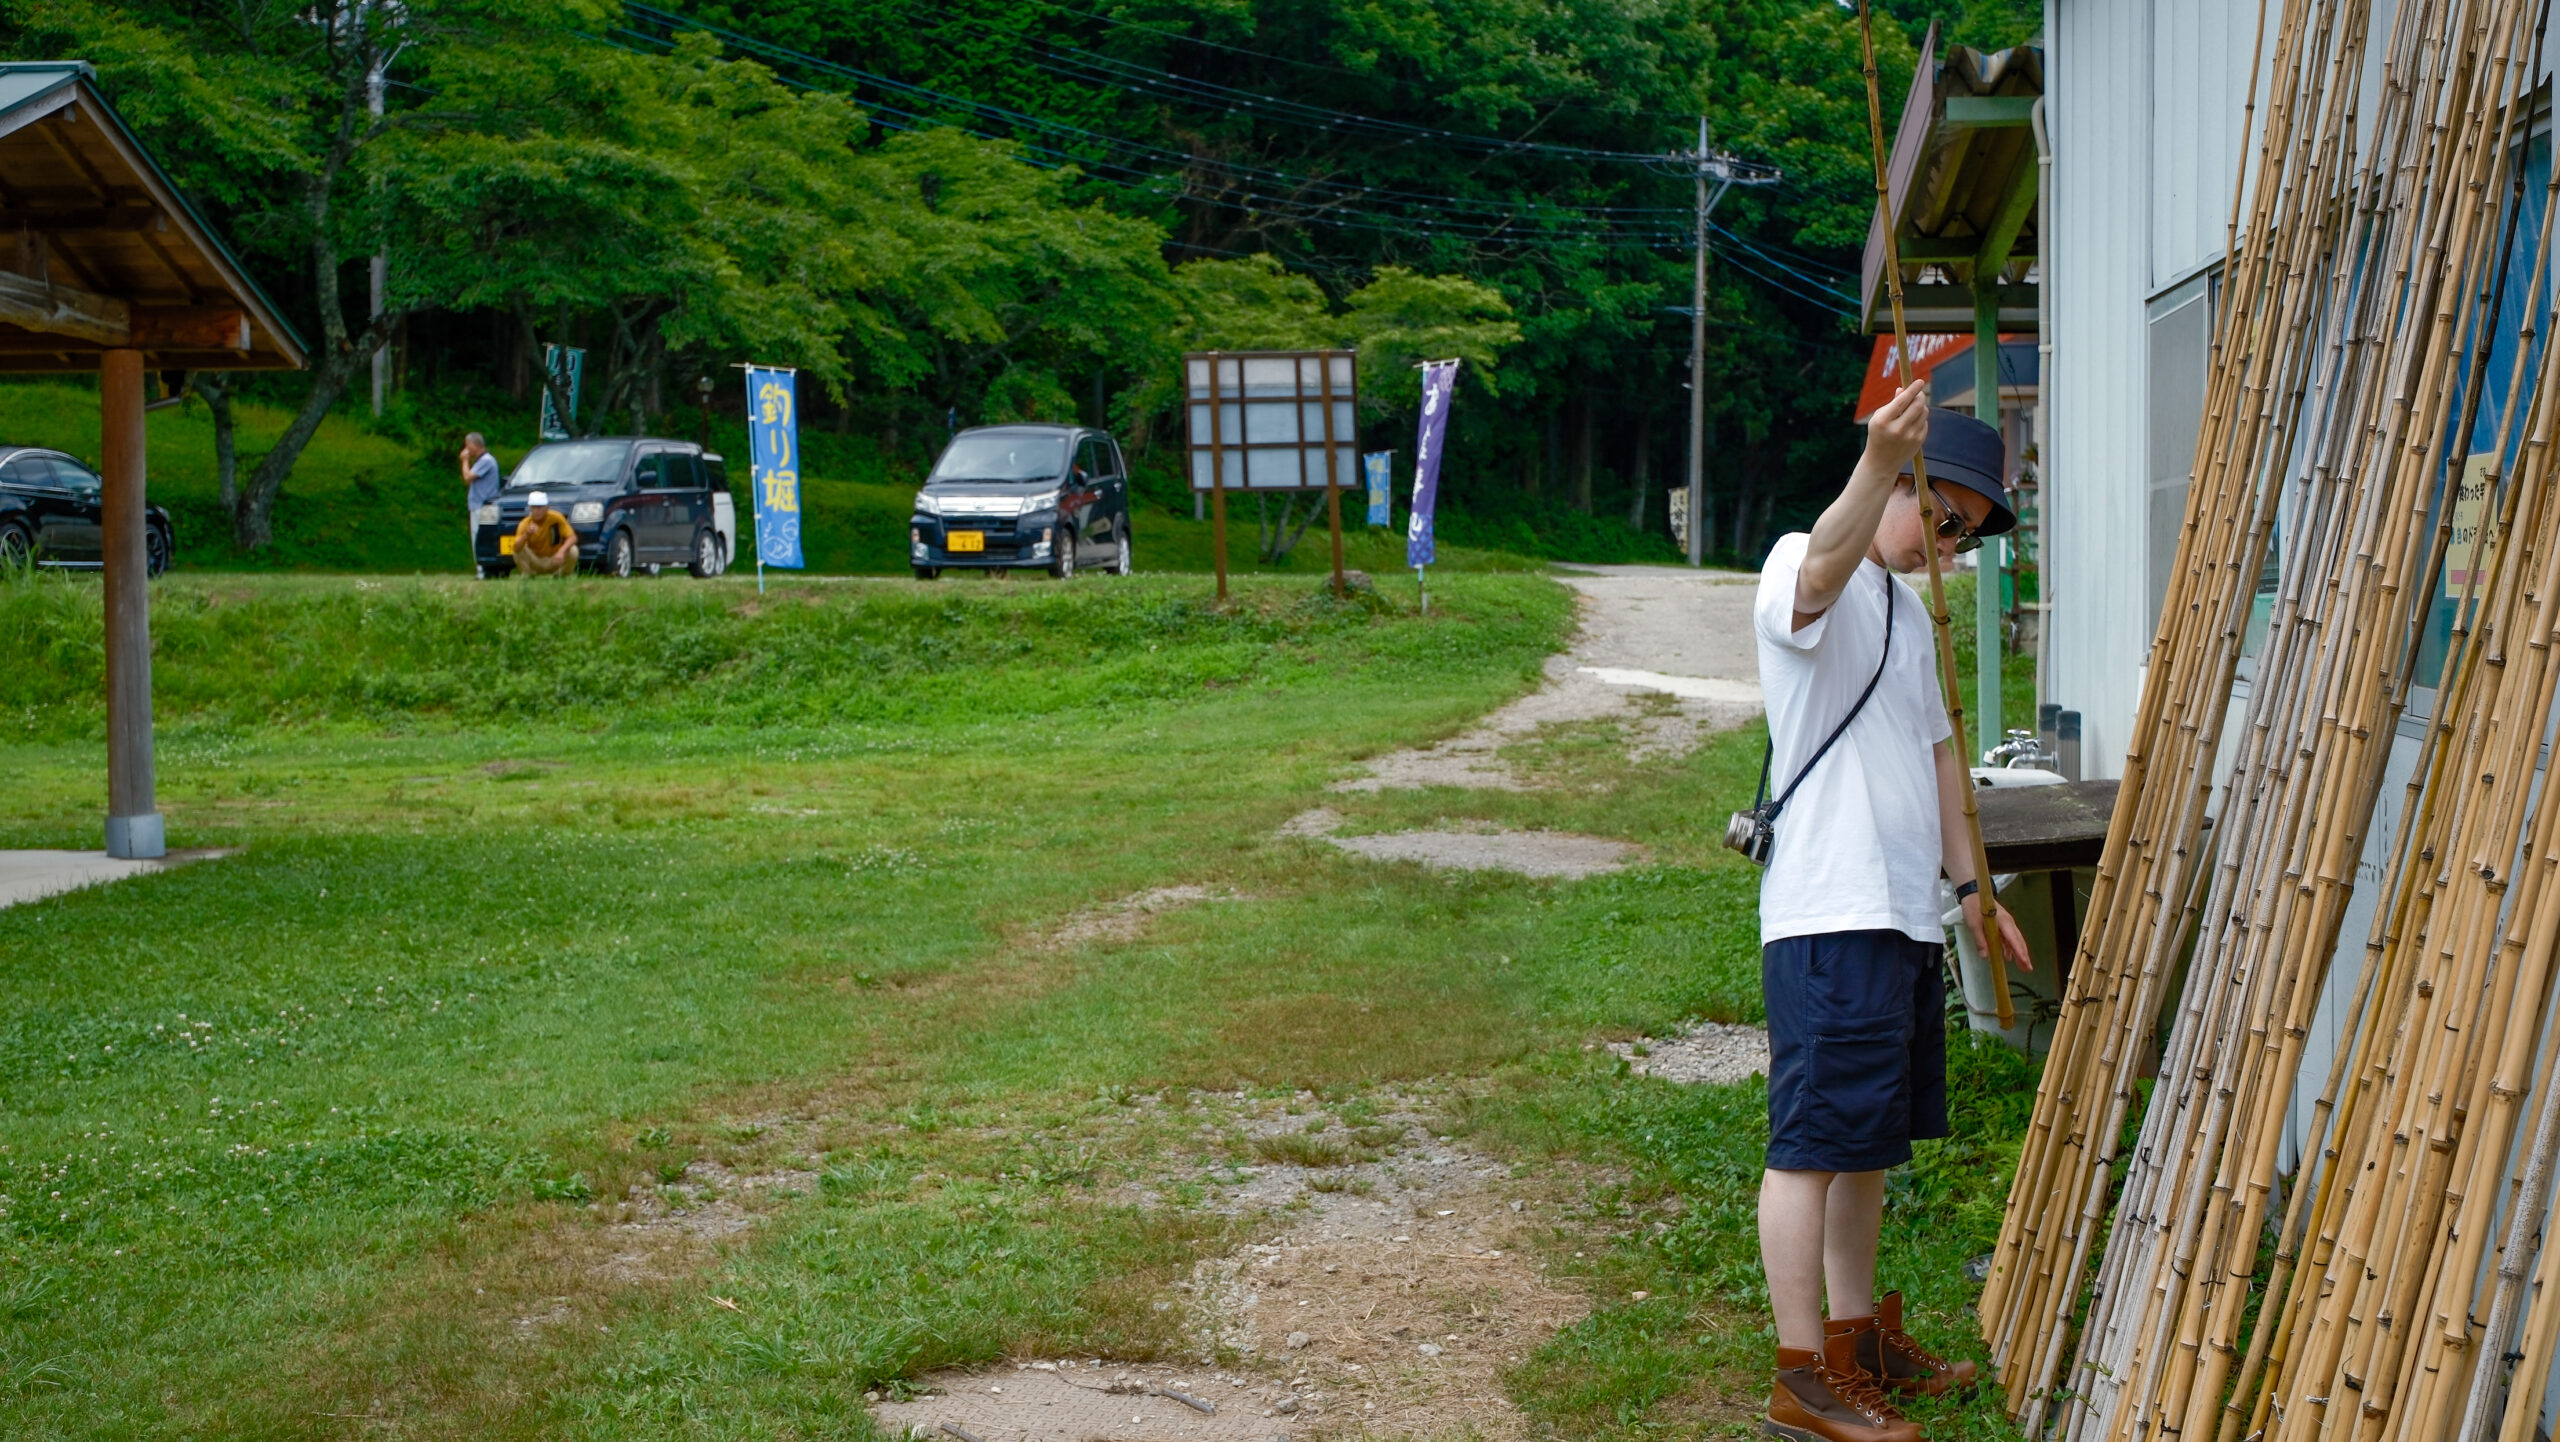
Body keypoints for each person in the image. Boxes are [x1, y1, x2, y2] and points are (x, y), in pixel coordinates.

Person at [1752, 380, 2033, 1442]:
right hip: (1831, 908)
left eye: (1966, 536)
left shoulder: (1910, 617)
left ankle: (1857, 1340)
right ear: (1907, 482)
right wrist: (1873, 465)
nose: (1950, 548)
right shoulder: (1802, 561)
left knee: (1865, 1142)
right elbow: (1823, 568)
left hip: (1903, 915)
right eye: (1948, 520)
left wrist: (1969, 892)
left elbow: (1938, 754)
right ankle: (1797, 1374)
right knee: (1811, 1143)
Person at [511, 491, 579, 577]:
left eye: (539, 507)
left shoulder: (556, 518)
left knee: (573, 550)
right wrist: (526, 534)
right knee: (518, 550)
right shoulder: (525, 523)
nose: (536, 511)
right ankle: (529, 574)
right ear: (530, 508)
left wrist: (561, 551)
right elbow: (516, 548)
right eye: (533, 507)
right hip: (535, 559)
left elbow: (572, 537)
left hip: (554, 558)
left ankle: (561, 575)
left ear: (547, 507)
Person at [460, 432, 501, 542]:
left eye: (467, 446)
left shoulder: (486, 460)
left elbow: (467, 477)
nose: (466, 450)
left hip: (484, 507)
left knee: (482, 540)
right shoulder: (482, 461)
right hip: (480, 506)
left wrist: (464, 460)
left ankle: (481, 559)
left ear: (473, 446)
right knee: (481, 538)